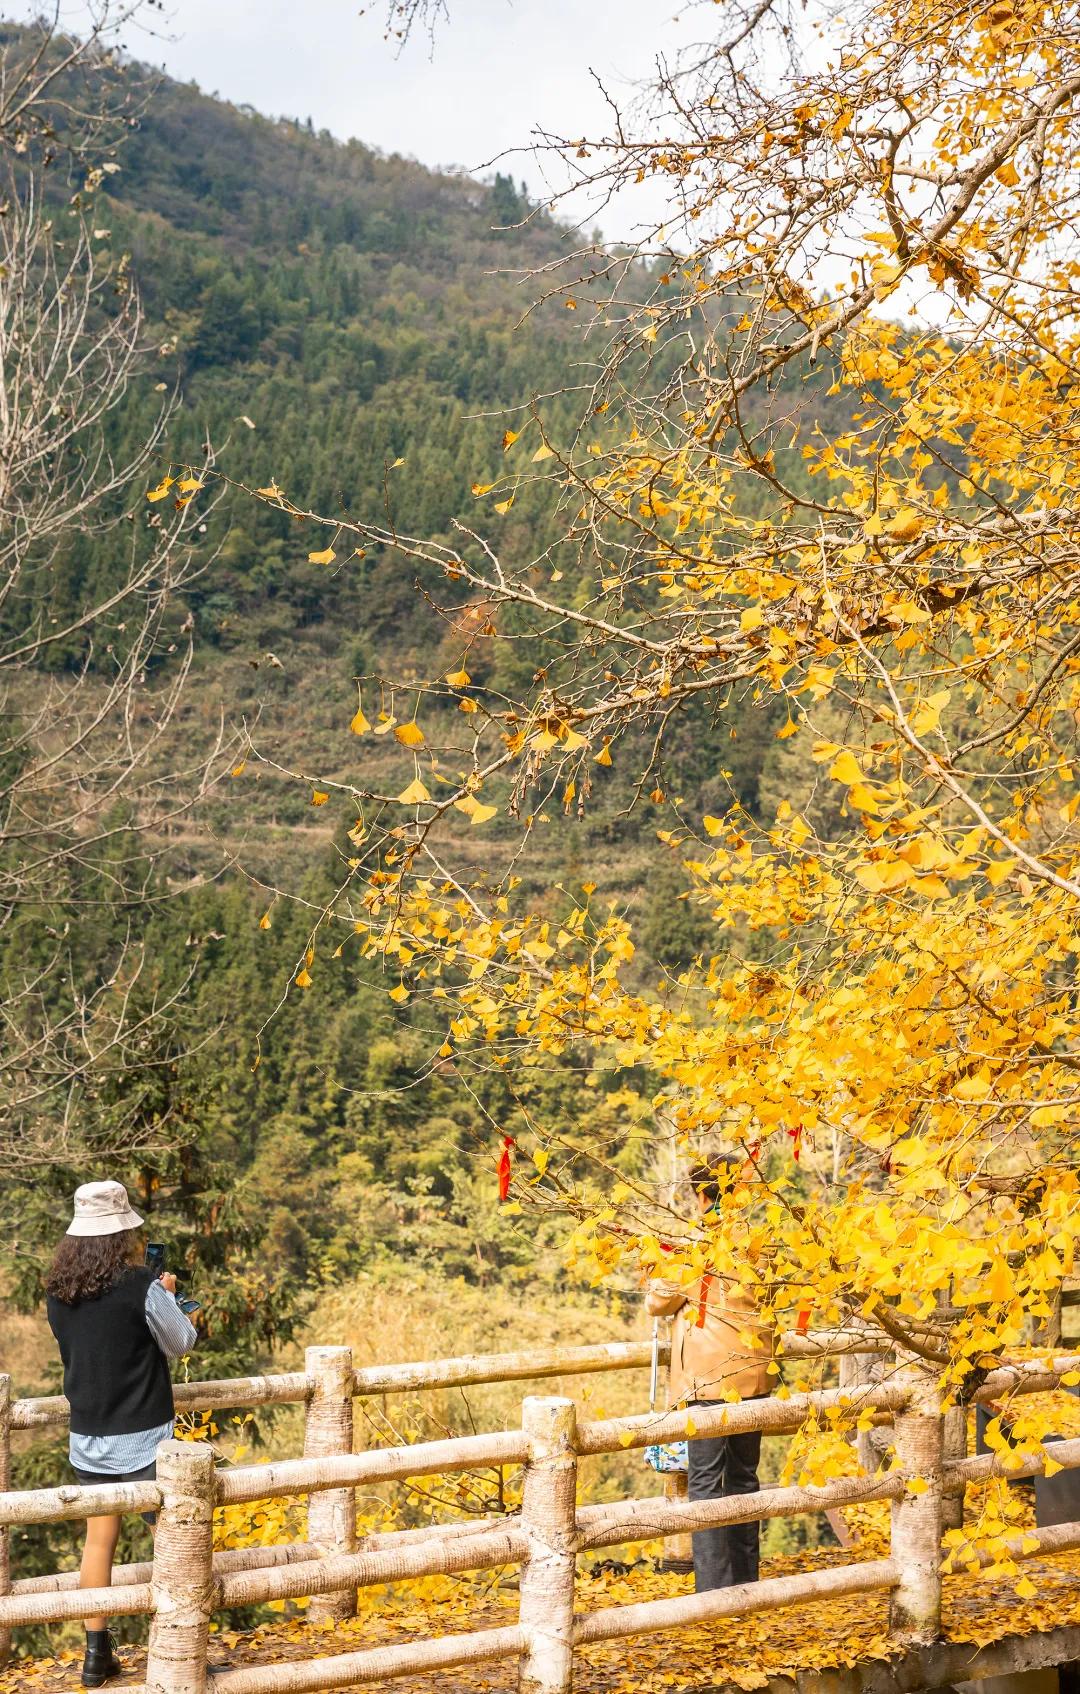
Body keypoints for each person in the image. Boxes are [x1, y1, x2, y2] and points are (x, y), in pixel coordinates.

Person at [45, 1180, 198, 1689]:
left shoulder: (59, 1291)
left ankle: (95, 1657)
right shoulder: (142, 1285)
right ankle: (178, 1646)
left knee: (98, 1540)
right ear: (122, 1232)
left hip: (89, 1433)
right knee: (171, 1539)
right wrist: (171, 1299)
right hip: (146, 1434)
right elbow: (180, 1343)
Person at [645, 1159, 774, 1592]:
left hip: (707, 1377)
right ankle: (745, 1580)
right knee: (744, 1476)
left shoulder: (696, 1242)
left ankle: (713, 1589)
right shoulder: (762, 1239)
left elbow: (658, 1302)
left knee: (705, 1480)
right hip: (754, 1374)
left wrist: (653, 1266)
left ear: (701, 1195)